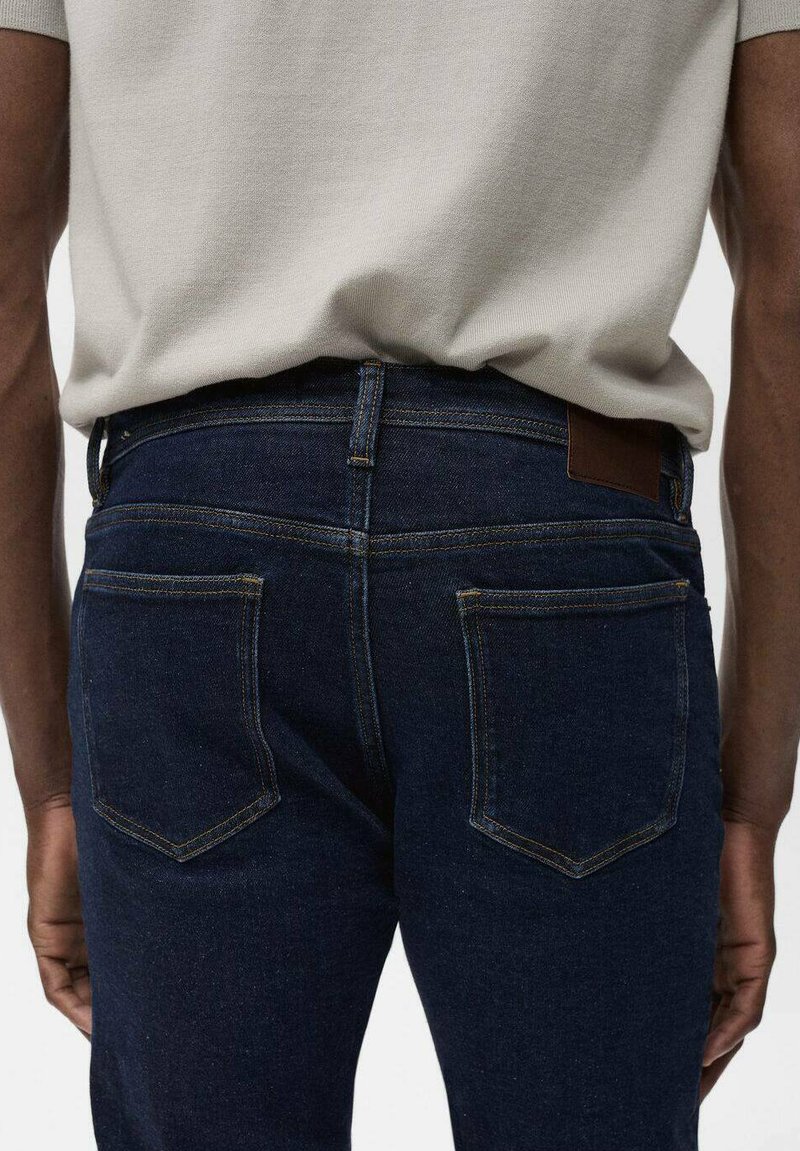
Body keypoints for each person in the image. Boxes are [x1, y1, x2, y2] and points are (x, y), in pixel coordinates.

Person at [0, 2, 798, 1148]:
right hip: (557, 544)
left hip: (196, 541)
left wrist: (52, 781)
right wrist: (748, 794)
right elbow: (785, 281)